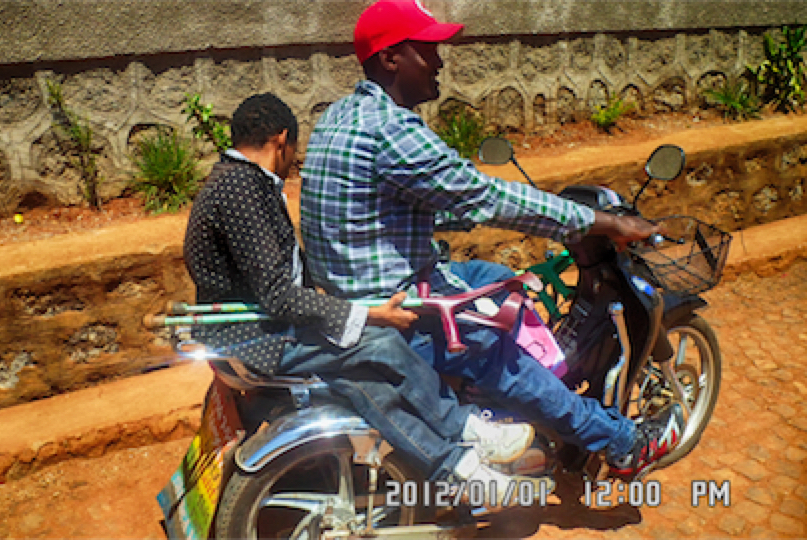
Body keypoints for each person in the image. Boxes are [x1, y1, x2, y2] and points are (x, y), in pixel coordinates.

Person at [300, 0, 684, 480]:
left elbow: (413, 204)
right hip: (395, 313)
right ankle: (621, 442)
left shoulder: (339, 116)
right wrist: (602, 223)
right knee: (497, 349)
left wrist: (486, 216)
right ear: (391, 58)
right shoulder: (392, 130)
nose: (440, 62)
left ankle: (516, 400)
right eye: (428, 50)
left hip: (357, 297)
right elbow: (484, 195)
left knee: (502, 280)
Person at [183, 92, 550, 506]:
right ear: (282, 139)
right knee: (381, 344)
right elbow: (279, 295)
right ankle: (464, 425)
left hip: (252, 334)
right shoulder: (242, 190)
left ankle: (457, 470)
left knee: (365, 383)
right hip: (260, 340)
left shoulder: (235, 182)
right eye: (295, 150)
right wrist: (372, 314)